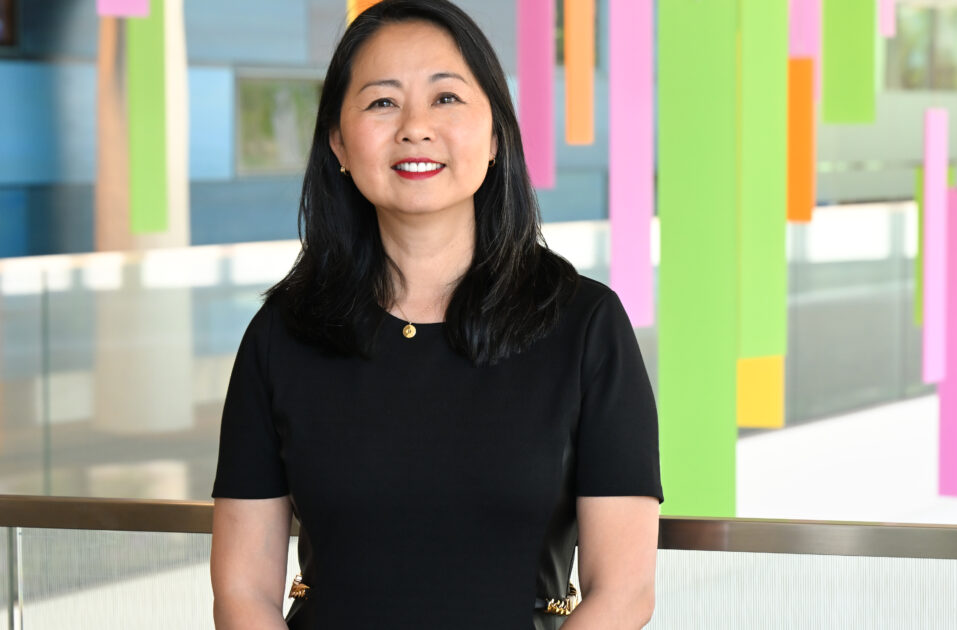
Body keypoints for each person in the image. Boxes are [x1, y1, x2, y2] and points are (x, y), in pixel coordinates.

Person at [207, 1, 663, 628]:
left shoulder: (584, 324)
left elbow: (625, 592)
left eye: (446, 98)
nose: (415, 128)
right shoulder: (282, 333)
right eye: (382, 102)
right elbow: (243, 592)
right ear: (338, 142)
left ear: (496, 135)